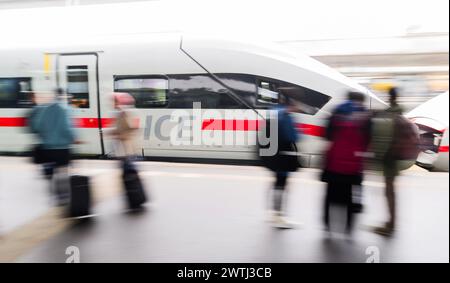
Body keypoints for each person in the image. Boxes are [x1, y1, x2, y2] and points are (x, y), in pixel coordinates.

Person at [321, 91, 371, 235]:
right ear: (361, 100)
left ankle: (327, 224)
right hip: (354, 164)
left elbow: (327, 135)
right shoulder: (365, 115)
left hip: (334, 161)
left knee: (330, 194)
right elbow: (369, 140)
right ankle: (348, 227)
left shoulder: (336, 111)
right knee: (350, 195)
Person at [29, 88, 77, 205]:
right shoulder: (64, 110)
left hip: (47, 147)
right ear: (63, 97)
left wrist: (45, 137)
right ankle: (63, 197)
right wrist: (74, 138)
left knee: (51, 173)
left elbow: (37, 126)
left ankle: (53, 196)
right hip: (62, 148)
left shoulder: (44, 109)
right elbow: (67, 129)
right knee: (62, 172)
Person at [260, 95, 301, 229]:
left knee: (276, 182)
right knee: (281, 183)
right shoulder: (286, 115)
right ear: (291, 104)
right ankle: (278, 216)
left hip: (272, 153)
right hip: (283, 154)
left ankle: (272, 214)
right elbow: (293, 136)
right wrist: (298, 131)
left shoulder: (274, 111)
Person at [372, 87, 403, 236]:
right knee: (389, 190)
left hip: (391, 156)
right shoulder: (396, 111)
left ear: (390, 97)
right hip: (393, 156)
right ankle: (390, 222)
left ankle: (391, 224)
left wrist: (385, 152)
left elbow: (391, 135)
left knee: (389, 191)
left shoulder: (395, 112)